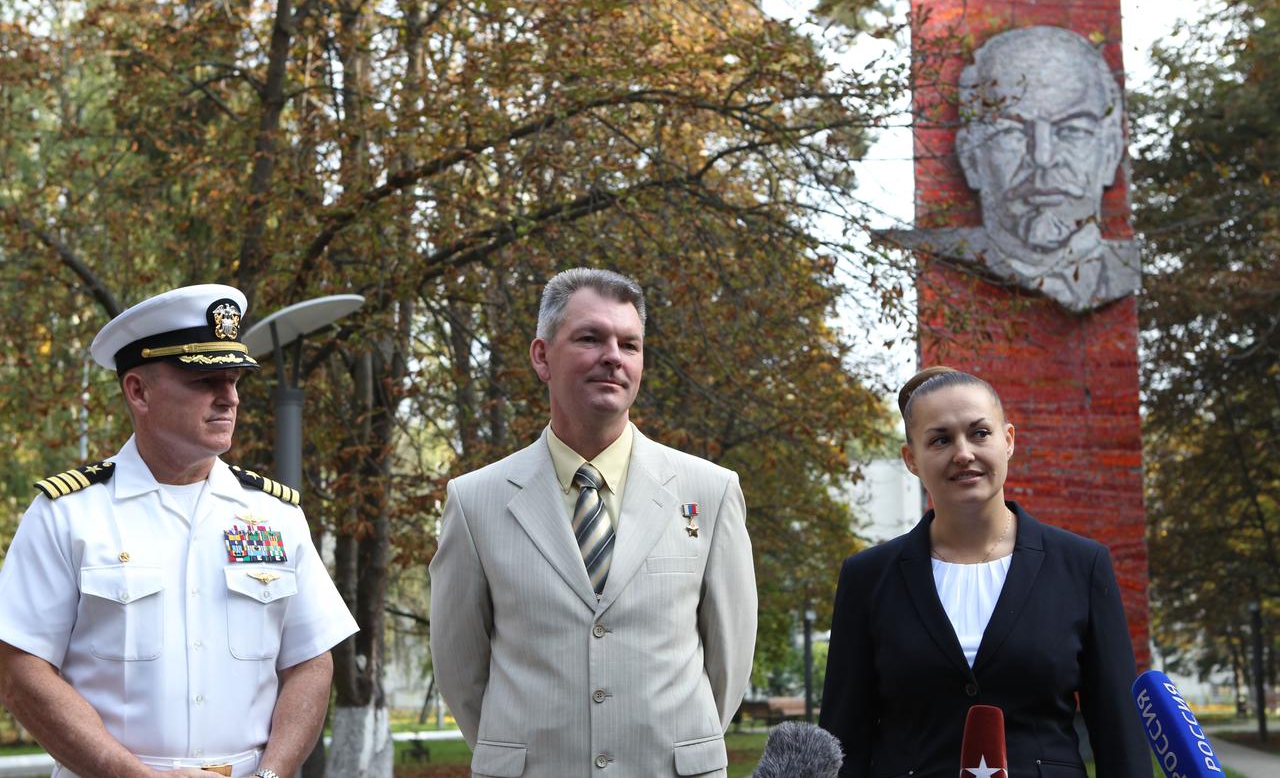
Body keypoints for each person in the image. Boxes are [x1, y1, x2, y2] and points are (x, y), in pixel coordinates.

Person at [0, 285, 358, 778]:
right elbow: (20, 670)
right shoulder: (68, 514)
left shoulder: (274, 515)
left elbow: (311, 663)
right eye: (206, 380)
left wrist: (270, 775)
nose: (229, 398)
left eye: (234, 380)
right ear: (138, 391)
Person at [429, 268, 757, 777]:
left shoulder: (709, 493)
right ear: (542, 356)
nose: (613, 356)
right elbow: (460, 669)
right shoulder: (475, 502)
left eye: (630, 344)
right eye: (589, 338)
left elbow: (729, 662)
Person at [818, 366, 1148, 777]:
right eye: (940, 439)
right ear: (912, 460)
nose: (963, 453)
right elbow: (843, 736)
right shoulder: (867, 578)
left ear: (1007, 441)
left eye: (979, 433)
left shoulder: (1082, 565)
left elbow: (1119, 732)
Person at [895, 26, 1140, 312]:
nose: (1043, 157)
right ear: (971, 158)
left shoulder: (1124, 271)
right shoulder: (939, 256)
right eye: (1010, 132)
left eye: (1073, 130)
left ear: (1110, 153)